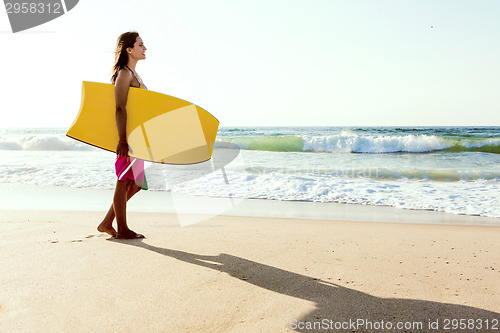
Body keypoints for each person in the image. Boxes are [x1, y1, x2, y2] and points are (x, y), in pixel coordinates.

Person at [97, 31, 148, 239]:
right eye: (140, 45)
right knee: (124, 180)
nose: (144, 48)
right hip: (127, 137)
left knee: (135, 183)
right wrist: (122, 140)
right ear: (129, 49)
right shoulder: (124, 74)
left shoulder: (134, 74)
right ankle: (123, 229)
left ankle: (107, 222)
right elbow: (119, 108)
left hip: (138, 137)